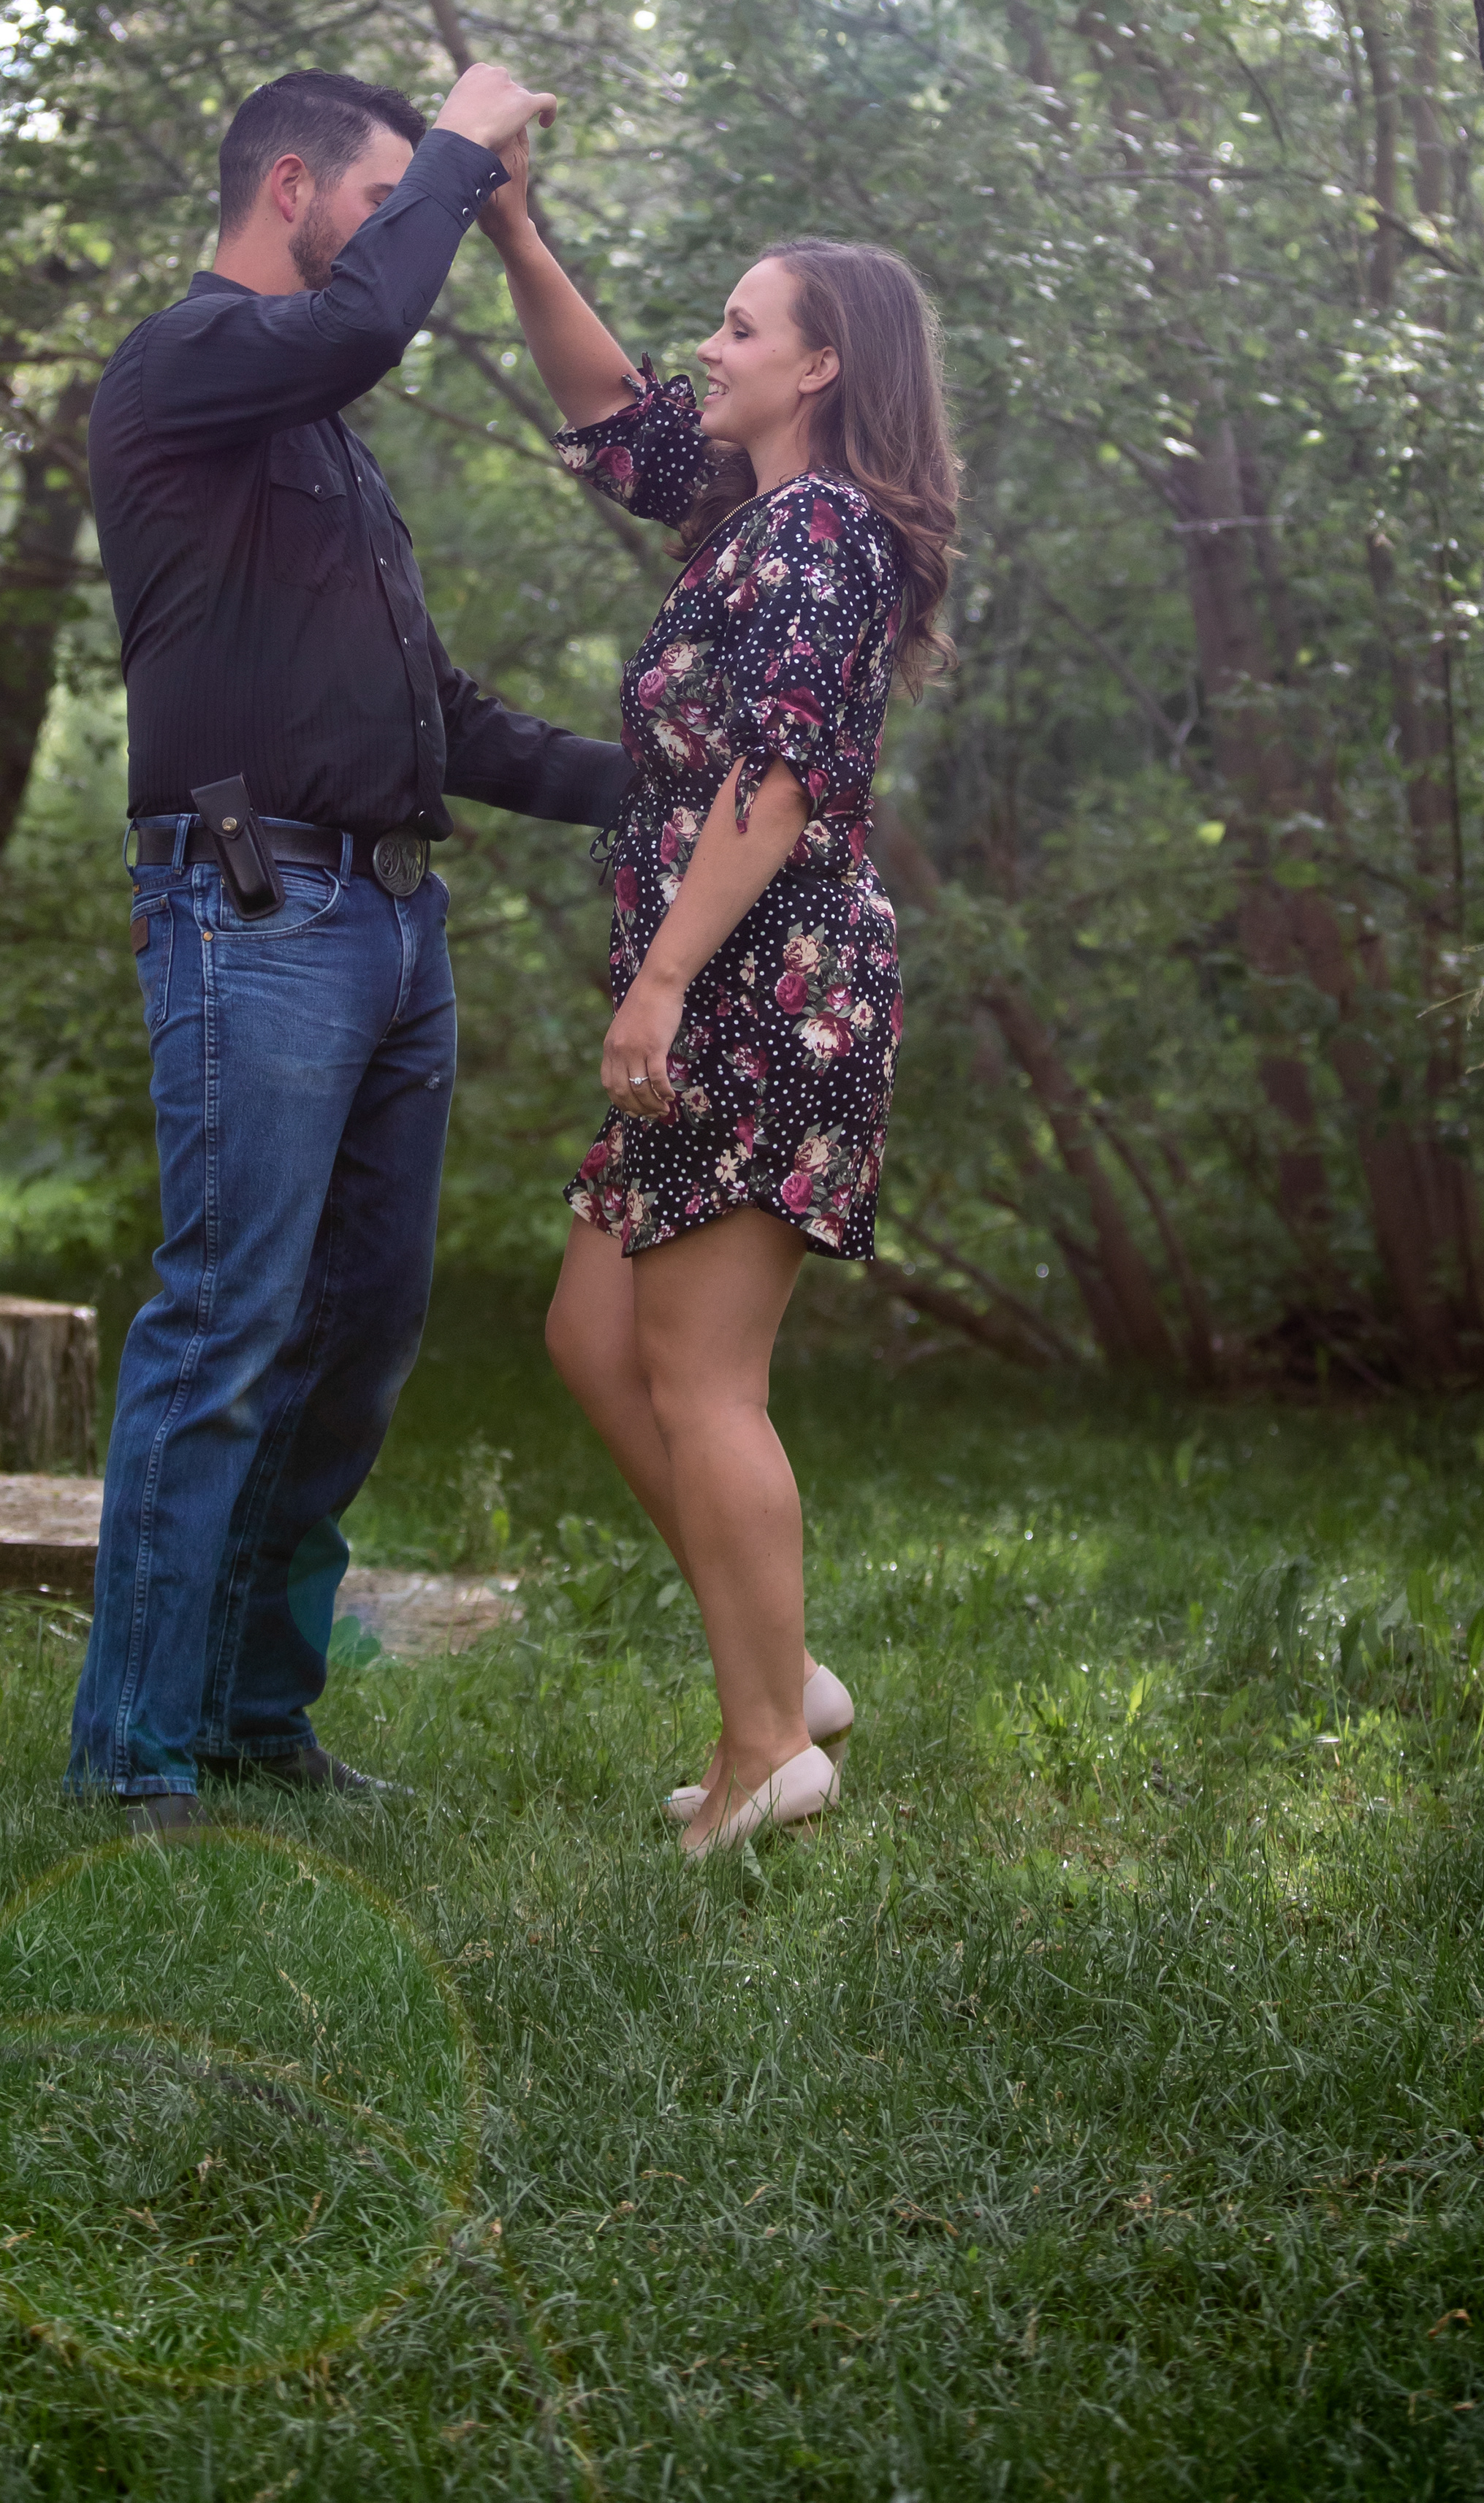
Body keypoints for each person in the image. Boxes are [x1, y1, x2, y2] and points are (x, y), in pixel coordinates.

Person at [68, 64, 629, 1829]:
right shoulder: (189, 363)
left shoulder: (316, 436)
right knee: (225, 1326)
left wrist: (669, 789)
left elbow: (437, 711)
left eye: (424, 204)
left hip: (392, 916)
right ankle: (135, 1753)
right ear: (295, 187)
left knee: (356, 1335)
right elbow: (375, 317)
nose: (413, 242)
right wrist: (466, 147)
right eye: (389, 203)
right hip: (256, 909)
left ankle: (251, 1715)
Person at [493, 208, 960, 1853]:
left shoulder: (823, 538)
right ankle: (785, 1673)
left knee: (701, 1372)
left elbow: (778, 782)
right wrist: (509, 223)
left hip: (767, 987)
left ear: (821, 366)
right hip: (729, 978)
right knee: (592, 1335)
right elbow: (615, 412)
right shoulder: (748, 522)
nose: (711, 344)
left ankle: (769, 1740)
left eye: (743, 327)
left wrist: (664, 973)